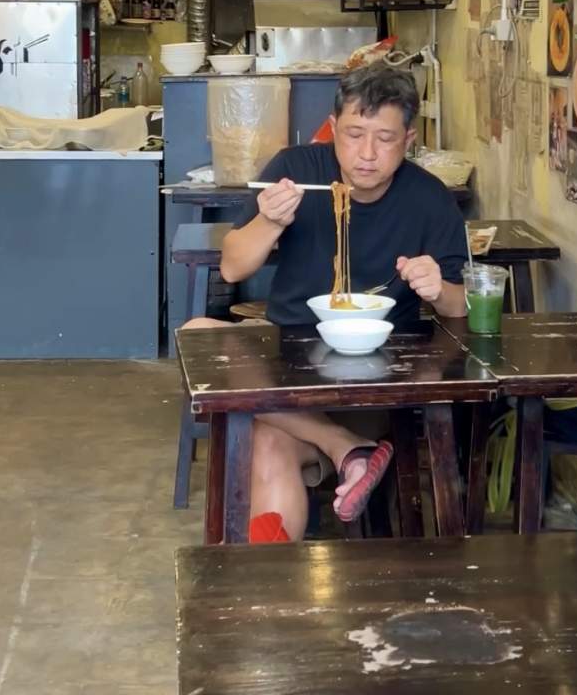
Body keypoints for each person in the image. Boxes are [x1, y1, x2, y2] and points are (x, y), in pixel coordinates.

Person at [183, 62, 468, 542]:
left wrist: (438, 287)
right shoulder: (295, 171)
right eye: (354, 134)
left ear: (409, 139)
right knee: (197, 336)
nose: (367, 154)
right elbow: (232, 267)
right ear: (333, 128)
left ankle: (341, 455)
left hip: (373, 378)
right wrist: (269, 222)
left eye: (385, 138)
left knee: (268, 443)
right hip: (281, 364)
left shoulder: (430, 199)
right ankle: (344, 447)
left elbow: (459, 308)